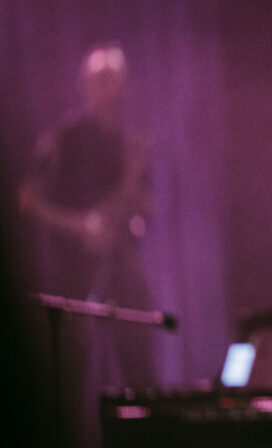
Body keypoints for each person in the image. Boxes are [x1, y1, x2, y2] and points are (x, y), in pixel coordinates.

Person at [19, 42, 153, 448]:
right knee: (70, 371)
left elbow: (148, 205)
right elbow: (27, 199)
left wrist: (133, 197)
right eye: (100, 80)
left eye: (114, 81)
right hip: (73, 271)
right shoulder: (64, 137)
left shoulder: (129, 141)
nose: (107, 89)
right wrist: (79, 225)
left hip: (119, 262)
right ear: (84, 84)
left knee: (139, 352)